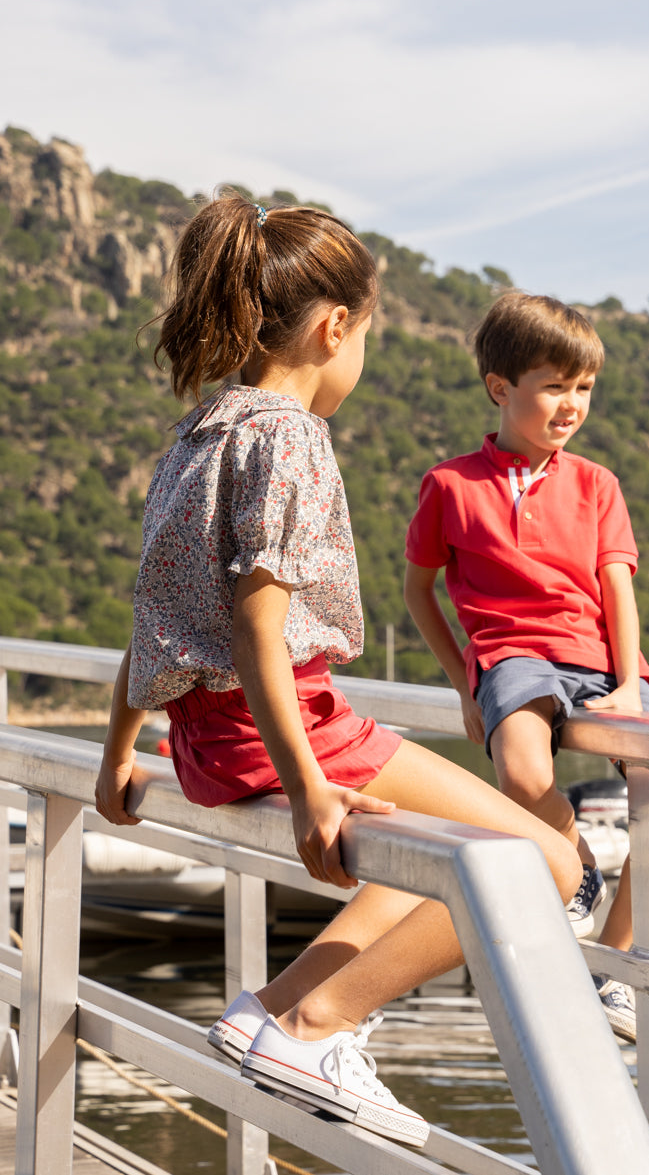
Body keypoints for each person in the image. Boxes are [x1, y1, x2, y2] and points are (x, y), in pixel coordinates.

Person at [94, 198, 581, 1148]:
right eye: (367, 337)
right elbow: (256, 629)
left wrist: (120, 752)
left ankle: (270, 1015)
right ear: (333, 328)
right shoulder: (291, 438)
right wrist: (311, 787)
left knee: (444, 847)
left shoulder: (197, 434)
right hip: (285, 728)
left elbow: (155, 612)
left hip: (202, 738)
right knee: (546, 860)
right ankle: (317, 1024)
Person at [404, 291, 649, 1043]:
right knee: (523, 774)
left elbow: (617, 587)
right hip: (510, 654)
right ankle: (577, 865)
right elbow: (417, 590)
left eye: (584, 387)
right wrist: (465, 684)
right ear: (500, 387)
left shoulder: (598, 483)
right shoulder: (450, 484)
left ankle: (615, 962)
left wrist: (630, 684)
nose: (572, 404)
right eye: (554, 386)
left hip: (601, 661)